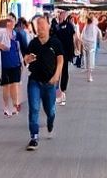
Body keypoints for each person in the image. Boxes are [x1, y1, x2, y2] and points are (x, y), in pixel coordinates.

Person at [23, 15, 64, 151]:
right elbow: (26, 58)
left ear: (48, 26)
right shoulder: (33, 43)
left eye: (42, 24)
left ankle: (50, 122)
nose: (40, 27)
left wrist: (56, 76)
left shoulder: (55, 42)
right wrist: (27, 59)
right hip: (35, 81)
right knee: (34, 108)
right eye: (38, 25)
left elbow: (60, 60)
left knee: (50, 111)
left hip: (50, 83)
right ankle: (34, 137)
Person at [51, 11, 76, 104]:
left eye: (64, 14)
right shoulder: (55, 26)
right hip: (57, 52)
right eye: (61, 14)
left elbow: (73, 38)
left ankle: (62, 89)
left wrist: (73, 50)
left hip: (65, 52)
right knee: (57, 70)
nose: (62, 15)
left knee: (64, 70)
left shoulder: (69, 26)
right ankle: (57, 89)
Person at [80, 16, 100, 82]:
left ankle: (87, 72)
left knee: (86, 58)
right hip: (92, 45)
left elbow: (82, 35)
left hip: (85, 44)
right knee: (91, 60)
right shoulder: (94, 27)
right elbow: (99, 35)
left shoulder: (86, 26)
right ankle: (89, 75)